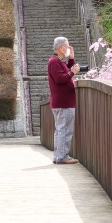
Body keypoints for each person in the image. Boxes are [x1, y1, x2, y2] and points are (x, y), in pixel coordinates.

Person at [48, 36, 81, 165]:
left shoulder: (58, 61)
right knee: (64, 130)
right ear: (61, 48)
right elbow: (60, 78)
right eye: (67, 47)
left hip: (61, 101)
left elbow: (67, 69)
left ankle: (58, 155)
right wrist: (71, 73)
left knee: (61, 129)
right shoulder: (54, 61)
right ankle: (62, 157)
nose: (68, 49)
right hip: (63, 102)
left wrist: (71, 58)